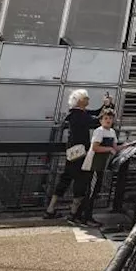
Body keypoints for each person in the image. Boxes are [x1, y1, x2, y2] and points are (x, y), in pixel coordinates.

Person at [44, 89, 113, 219]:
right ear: (80, 101)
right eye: (86, 98)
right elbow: (98, 120)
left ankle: (51, 208)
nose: (88, 100)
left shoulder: (76, 114)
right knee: (81, 179)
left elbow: (97, 114)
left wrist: (106, 105)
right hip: (80, 151)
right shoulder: (79, 115)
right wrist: (108, 107)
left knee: (66, 177)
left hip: (72, 151)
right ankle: (74, 212)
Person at [73, 108, 123, 227]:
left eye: (110, 118)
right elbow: (95, 147)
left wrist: (126, 146)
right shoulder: (99, 131)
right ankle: (85, 217)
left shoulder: (112, 132)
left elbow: (115, 147)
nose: (108, 120)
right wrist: (109, 149)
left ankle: (80, 216)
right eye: (106, 118)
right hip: (93, 165)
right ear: (101, 120)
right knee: (91, 192)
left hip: (101, 165)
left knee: (94, 191)